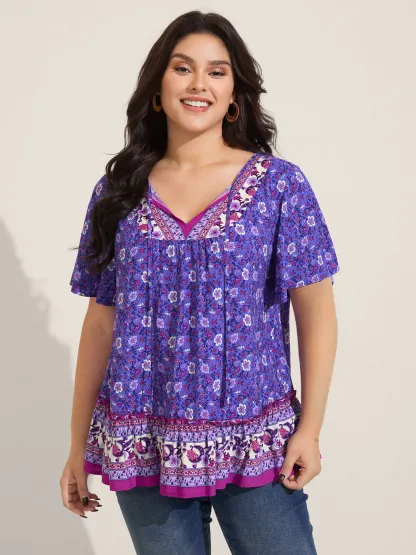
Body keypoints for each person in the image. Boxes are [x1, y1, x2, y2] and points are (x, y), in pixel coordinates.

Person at [60, 10, 340, 555]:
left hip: (255, 442)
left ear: (234, 94)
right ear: (157, 88)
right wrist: (76, 446)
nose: (198, 84)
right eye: (182, 68)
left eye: (216, 72)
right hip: (144, 444)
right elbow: (100, 325)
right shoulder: (118, 192)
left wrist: (309, 429)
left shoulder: (278, 186)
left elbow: (318, 313)